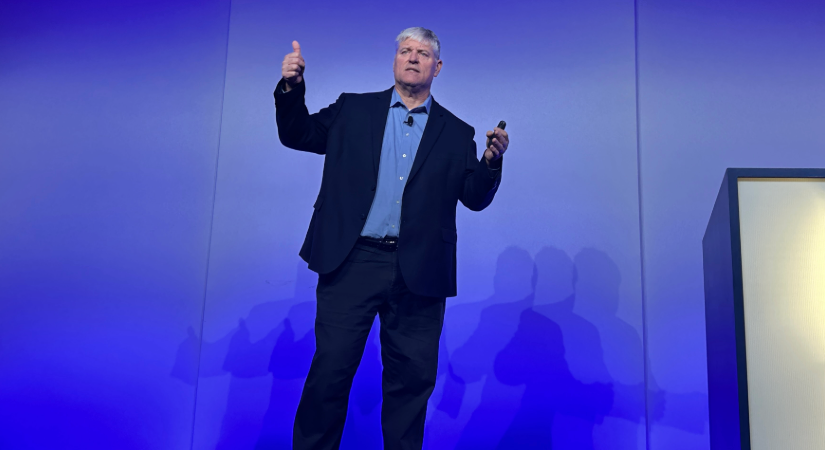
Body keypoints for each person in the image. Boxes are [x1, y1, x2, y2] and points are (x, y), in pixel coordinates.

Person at [275, 26, 510, 450]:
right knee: (329, 375)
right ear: (395, 60)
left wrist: (491, 163)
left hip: (420, 272)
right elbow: (298, 134)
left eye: (423, 53)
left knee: (410, 386)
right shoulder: (353, 109)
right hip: (352, 262)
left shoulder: (457, 133)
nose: (413, 57)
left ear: (437, 67)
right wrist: (292, 88)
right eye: (405, 50)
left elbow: (474, 197)